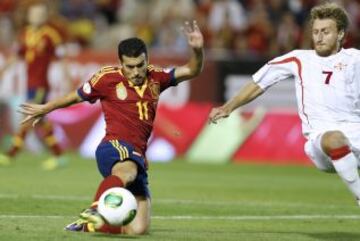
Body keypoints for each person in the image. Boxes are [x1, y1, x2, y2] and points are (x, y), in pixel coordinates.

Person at [20, 21, 204, 234]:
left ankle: (90, 225)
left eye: (140, 65)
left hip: (138, 155)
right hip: (114, 146)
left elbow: (192, 69)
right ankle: (96, 209)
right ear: (120, 63)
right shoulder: (106, 78)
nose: (136, 72)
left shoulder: (157, 77)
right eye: (130, 66)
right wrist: (47, 108)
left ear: (147, 60)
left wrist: (197, 50)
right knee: (126, 170)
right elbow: (76, 96)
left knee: (137, 229)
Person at [209, 2, 360, 205]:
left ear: (340, 33)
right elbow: (259, 82)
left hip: (356, 132)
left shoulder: (355, 59)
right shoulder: (299, 59)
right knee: (335, 139)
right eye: (315, 31)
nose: (319, 37)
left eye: (326, 31)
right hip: (321, 140)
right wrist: (228, 107)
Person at [0, 2, 68, 170]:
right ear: (29, 16)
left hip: (40, 86)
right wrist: (3, 71)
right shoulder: (25, 34)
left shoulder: (50, 35)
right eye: (34, 13)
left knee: (28, 117)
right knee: (41, 120)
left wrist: (67, 79)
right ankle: (58, 155)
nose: (37, 16)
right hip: (29, 84)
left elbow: (61, 58)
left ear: (45, 16)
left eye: (40, 14)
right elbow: (17, 55)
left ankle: (11, 153)